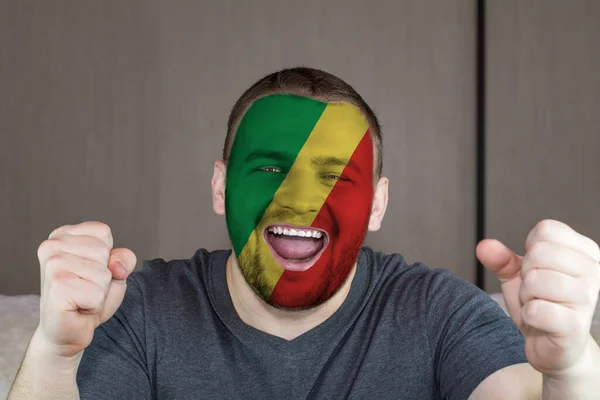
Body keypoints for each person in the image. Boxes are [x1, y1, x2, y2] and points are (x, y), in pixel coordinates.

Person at [8, 67, 600, 400]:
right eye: (269, 169)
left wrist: (571, 367)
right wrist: (54, 355)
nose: (298, 200)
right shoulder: (140, 312)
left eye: (335, 174)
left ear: (378, 203)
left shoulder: (440, 314)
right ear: (220, 187)